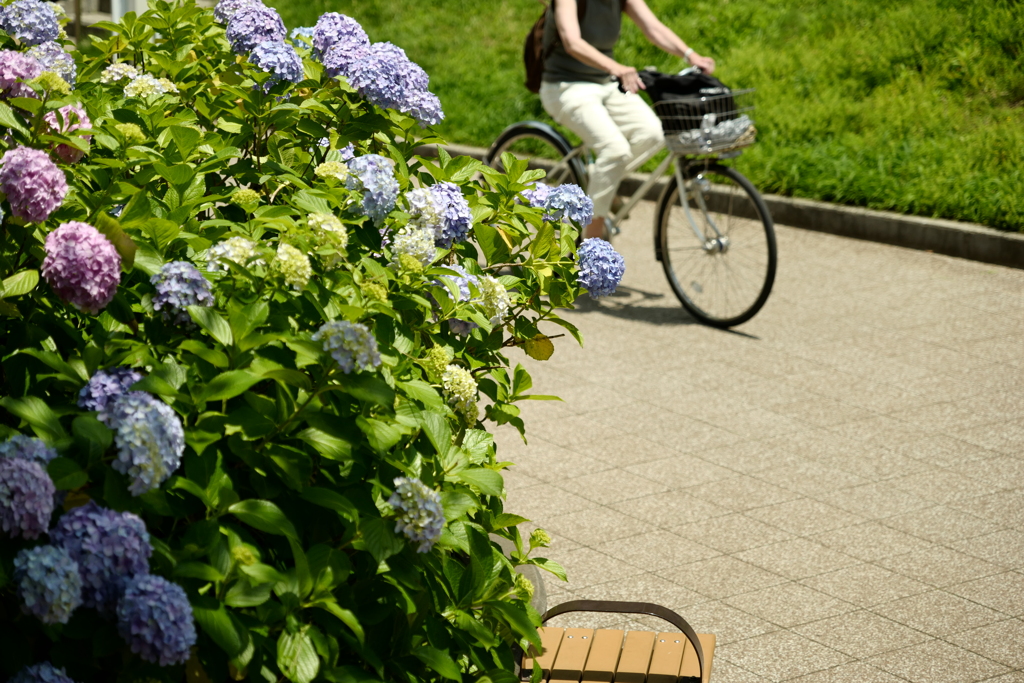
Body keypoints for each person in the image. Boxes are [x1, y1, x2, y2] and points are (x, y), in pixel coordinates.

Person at [540, 0, 715, 239]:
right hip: (565, 87)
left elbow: (652, 27)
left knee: (652, 134)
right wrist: (617, 68)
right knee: (615, 149)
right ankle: (589, 241)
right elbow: (572, 43)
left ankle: (599, 179)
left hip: (604, 83)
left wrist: (690, 55)